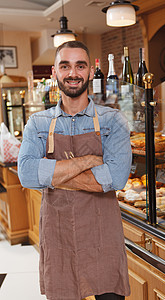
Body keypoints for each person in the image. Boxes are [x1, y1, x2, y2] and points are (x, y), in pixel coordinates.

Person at [18, 41, 132, 300]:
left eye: (80, 66)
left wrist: (51, 176)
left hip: (103, 235)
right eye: (65, 66)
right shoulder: (38, 123)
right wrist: (89, 160)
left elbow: (115, 178)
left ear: (90, 72)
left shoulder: (112, 121)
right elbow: (26, 174)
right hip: (58, 236)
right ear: (55, 72)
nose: (73, 73)